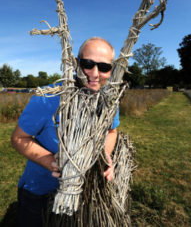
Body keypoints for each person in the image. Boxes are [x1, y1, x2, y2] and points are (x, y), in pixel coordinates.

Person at [11, 37, 120, 227]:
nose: (95, 74)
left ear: (111, 70)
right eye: (88, 64)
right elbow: (19, 138)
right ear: (76, 63)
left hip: (87, 194)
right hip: (39, 192)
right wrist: (51, 162)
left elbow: (112, 131)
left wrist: (105, 156)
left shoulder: (109, 101)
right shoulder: (49, 98)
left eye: (104, 67)